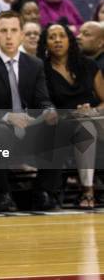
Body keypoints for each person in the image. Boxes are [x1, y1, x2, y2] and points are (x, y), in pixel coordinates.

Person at [0, 11, 59, 212]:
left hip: (28, 125)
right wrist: (8, 117)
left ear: (21, 35)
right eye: (3, 31)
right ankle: (5, 194)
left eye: (13, 30)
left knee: (57, 126)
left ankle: (40, 191)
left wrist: (49, 110)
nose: (9, 36)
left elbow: (43, 99)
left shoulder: (35, 64)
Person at [37, 23, 104, 208]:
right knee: (85, 128)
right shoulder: (41, 70)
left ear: (69, 40)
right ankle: (88, 192)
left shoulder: (88, 65)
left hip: (95, 117)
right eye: (52, 37)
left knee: (88, 123)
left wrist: (92, 111)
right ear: (45, 43)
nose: (57, 40)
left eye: (62, 36)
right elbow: (43, 104)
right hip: (63, 123)